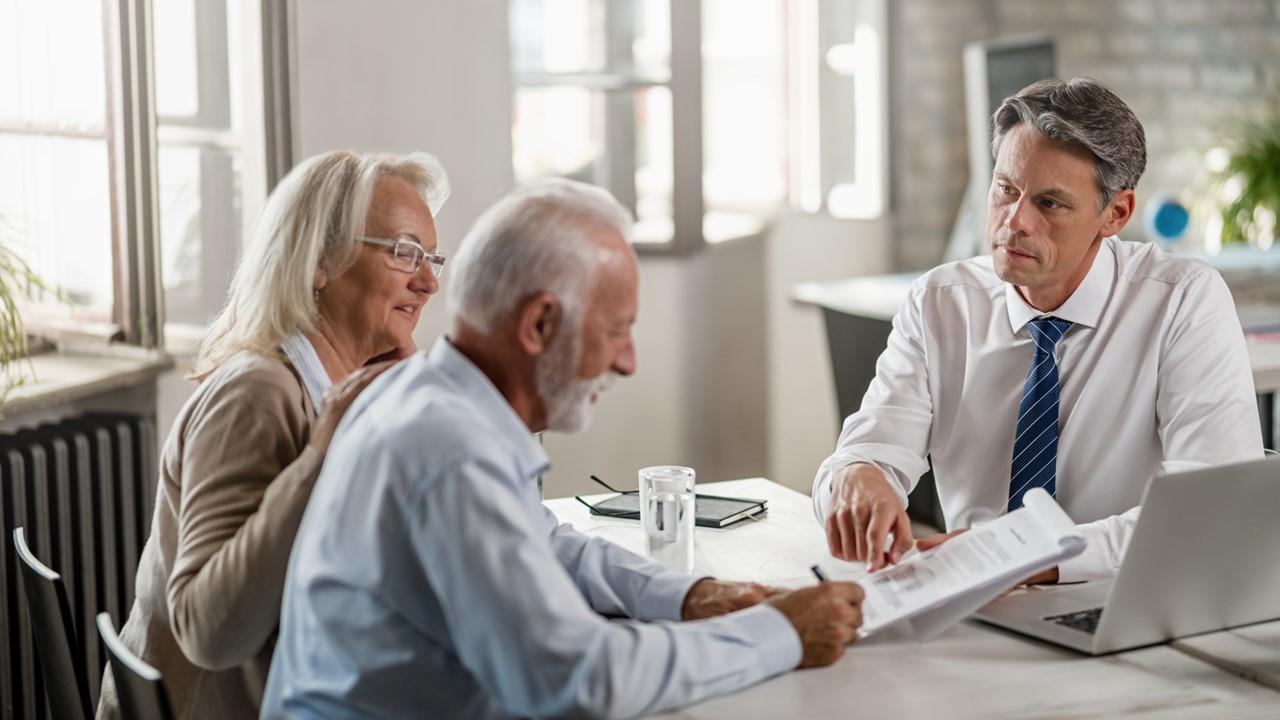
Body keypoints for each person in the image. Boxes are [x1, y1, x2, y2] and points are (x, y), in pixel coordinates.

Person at [261, 179, 865, 719]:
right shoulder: (450, 448)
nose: (627, 362)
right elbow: (576, 677)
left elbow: (542, 541)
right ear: (539, 325)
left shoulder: (433, 398)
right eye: (615, 331)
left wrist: (687, 594)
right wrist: (780, 633)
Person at [814, 77, 1263, 582]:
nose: (1015, 221)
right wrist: (858, 477)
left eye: (1049, 203)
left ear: (1115, 214)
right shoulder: (941, 302)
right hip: (973, 602)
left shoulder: (1182, 301)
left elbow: (1214, 509)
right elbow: (866, 451)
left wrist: (1031, 555)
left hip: (1119, 597)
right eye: (1005, 189)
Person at [97, 150, 450, 719]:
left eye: (431, 256)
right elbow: (208, 631)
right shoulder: (257, 394)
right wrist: (323, 457)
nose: (429, 281)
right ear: (319, 263)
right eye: (405, 252)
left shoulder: (339, 388)